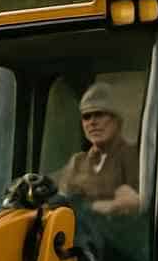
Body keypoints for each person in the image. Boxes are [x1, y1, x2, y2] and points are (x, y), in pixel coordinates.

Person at [57, 82, 142, 215]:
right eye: (86, 117)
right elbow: (61, 201)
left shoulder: (133, 156)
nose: (92, 122)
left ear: (117, 120)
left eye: (99, 114)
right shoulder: (77, 161)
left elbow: (136, 205)